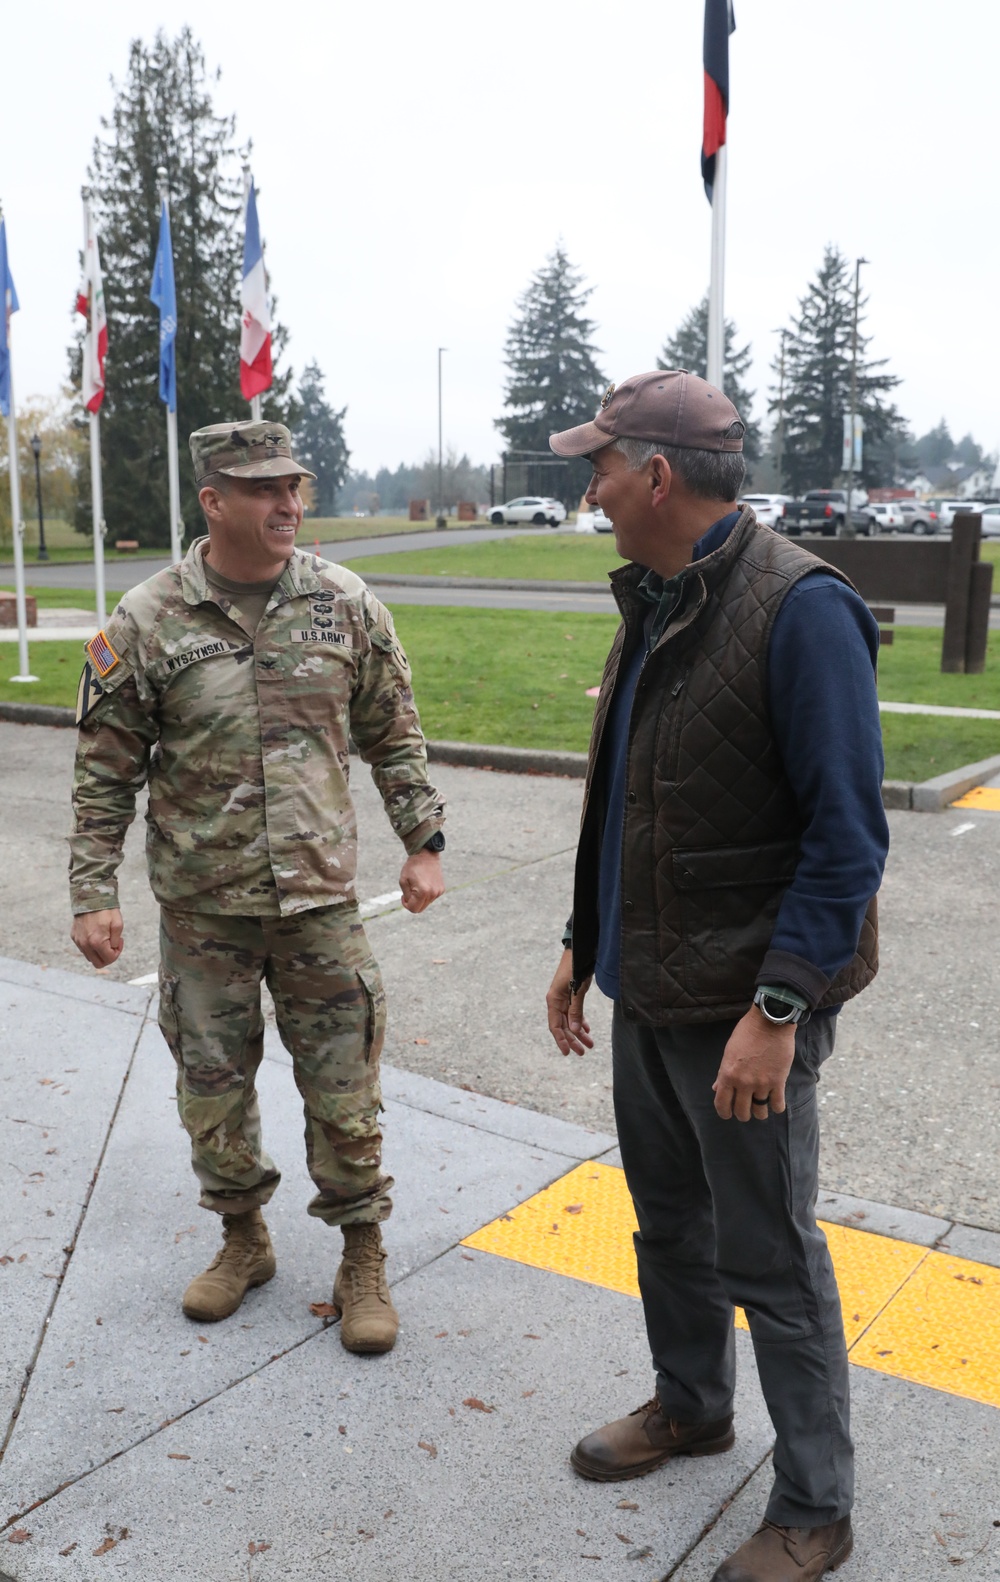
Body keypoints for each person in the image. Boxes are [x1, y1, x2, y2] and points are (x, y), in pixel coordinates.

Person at [544, 372, 888, 1582]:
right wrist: (583, 942)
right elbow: (629, 792)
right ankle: (691, 1402)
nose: (584, 487)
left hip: (745, 1013)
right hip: (650, 988)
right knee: (670, 1227)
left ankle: (814, 1503)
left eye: (595, 466)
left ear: (654, 474)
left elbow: (847, 838)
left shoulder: (801, 608)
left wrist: (779, 1010)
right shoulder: (656, 599)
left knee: (773, 1258)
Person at [69, 420, 446, 1356]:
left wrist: (423, 839)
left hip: (319, 900)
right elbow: (104, 767)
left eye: (295, 488)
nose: (287, 506)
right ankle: (243, 1239)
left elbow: (392, 730)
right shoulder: (148, 620)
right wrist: (92, 889)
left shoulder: (343, 603)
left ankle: (362, 1255)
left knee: (344, 1085)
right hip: (204, 910)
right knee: (212, 1089)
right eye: (264, 490)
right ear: (214, 500)